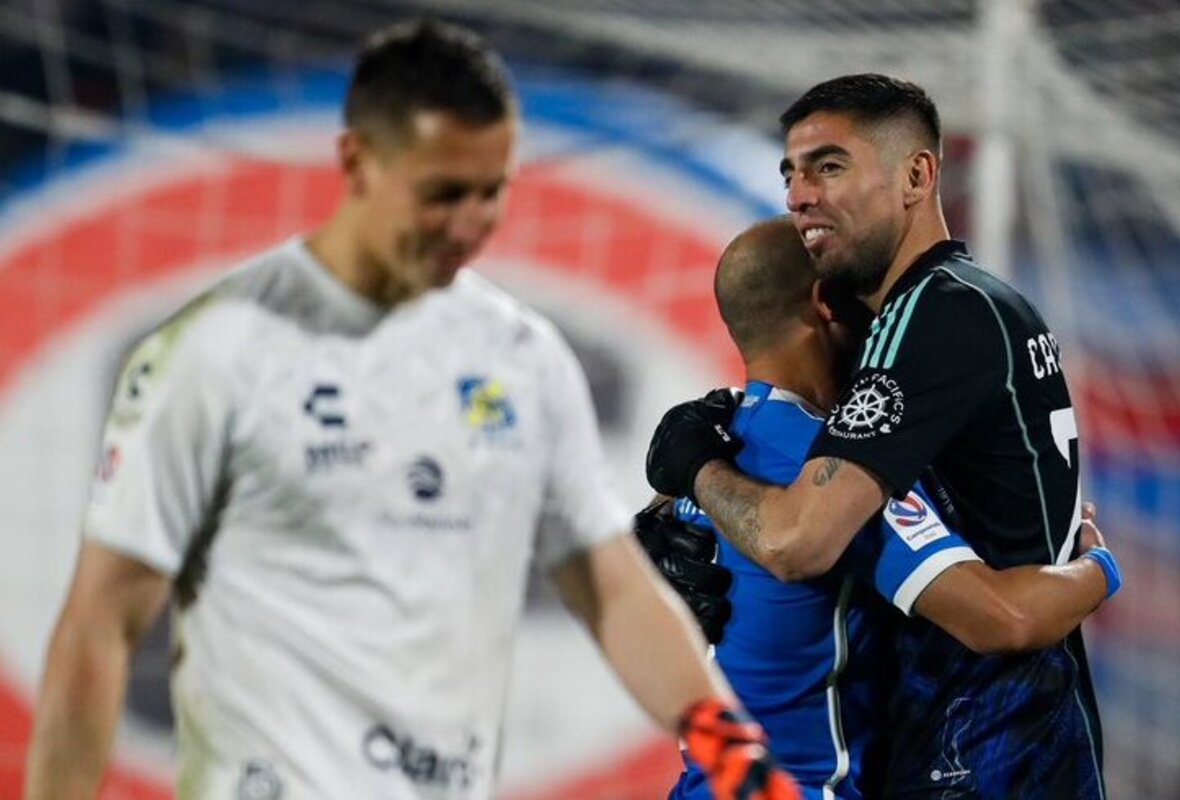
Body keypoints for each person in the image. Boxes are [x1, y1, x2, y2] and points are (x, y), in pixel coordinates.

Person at [23, 20, 800, 800]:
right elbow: (101, 623)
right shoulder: (217, 351)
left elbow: (611, 586)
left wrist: (727, 744)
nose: (469, 223)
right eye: (442, 195)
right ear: (357, 162)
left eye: (490, 192)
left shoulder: (520, 357)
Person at [645, 75, 1116, 797]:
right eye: (792, 173)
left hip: (982, 746)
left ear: (917, 176)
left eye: (828, 166)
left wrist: (692, 470)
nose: (800, 193)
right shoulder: (976, 308)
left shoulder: (924, 324)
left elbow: (797, 541)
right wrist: (1099, 566)